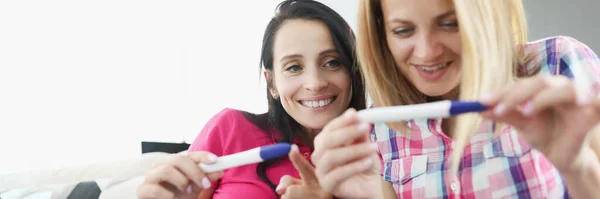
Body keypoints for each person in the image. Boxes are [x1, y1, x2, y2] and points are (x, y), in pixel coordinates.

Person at [307, 0, 600, 198]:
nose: (427, 52)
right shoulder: (378, 129)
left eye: (449, 24)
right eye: (403, 30)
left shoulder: (559, 64)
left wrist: (579, 169)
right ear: (382, 33)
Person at [136, 0, 366, 198]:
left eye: (332, 62)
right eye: (294, 67)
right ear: (272, 83)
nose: (315, 83)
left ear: (354, 70)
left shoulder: (380, 150)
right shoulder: (230, 129)